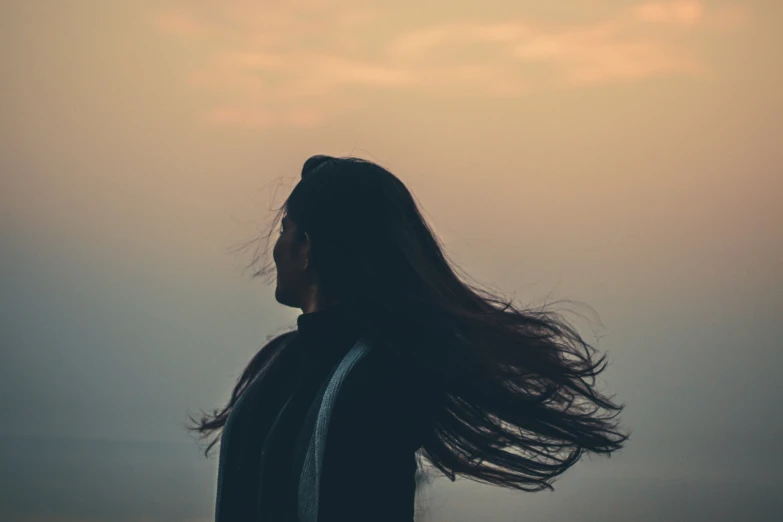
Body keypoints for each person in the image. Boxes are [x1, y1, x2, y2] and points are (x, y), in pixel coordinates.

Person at [189, 155, 628, 521]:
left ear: (306, 246)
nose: (276, 247)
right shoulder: (285, 360)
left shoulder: (374, 376)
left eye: (285, 229)